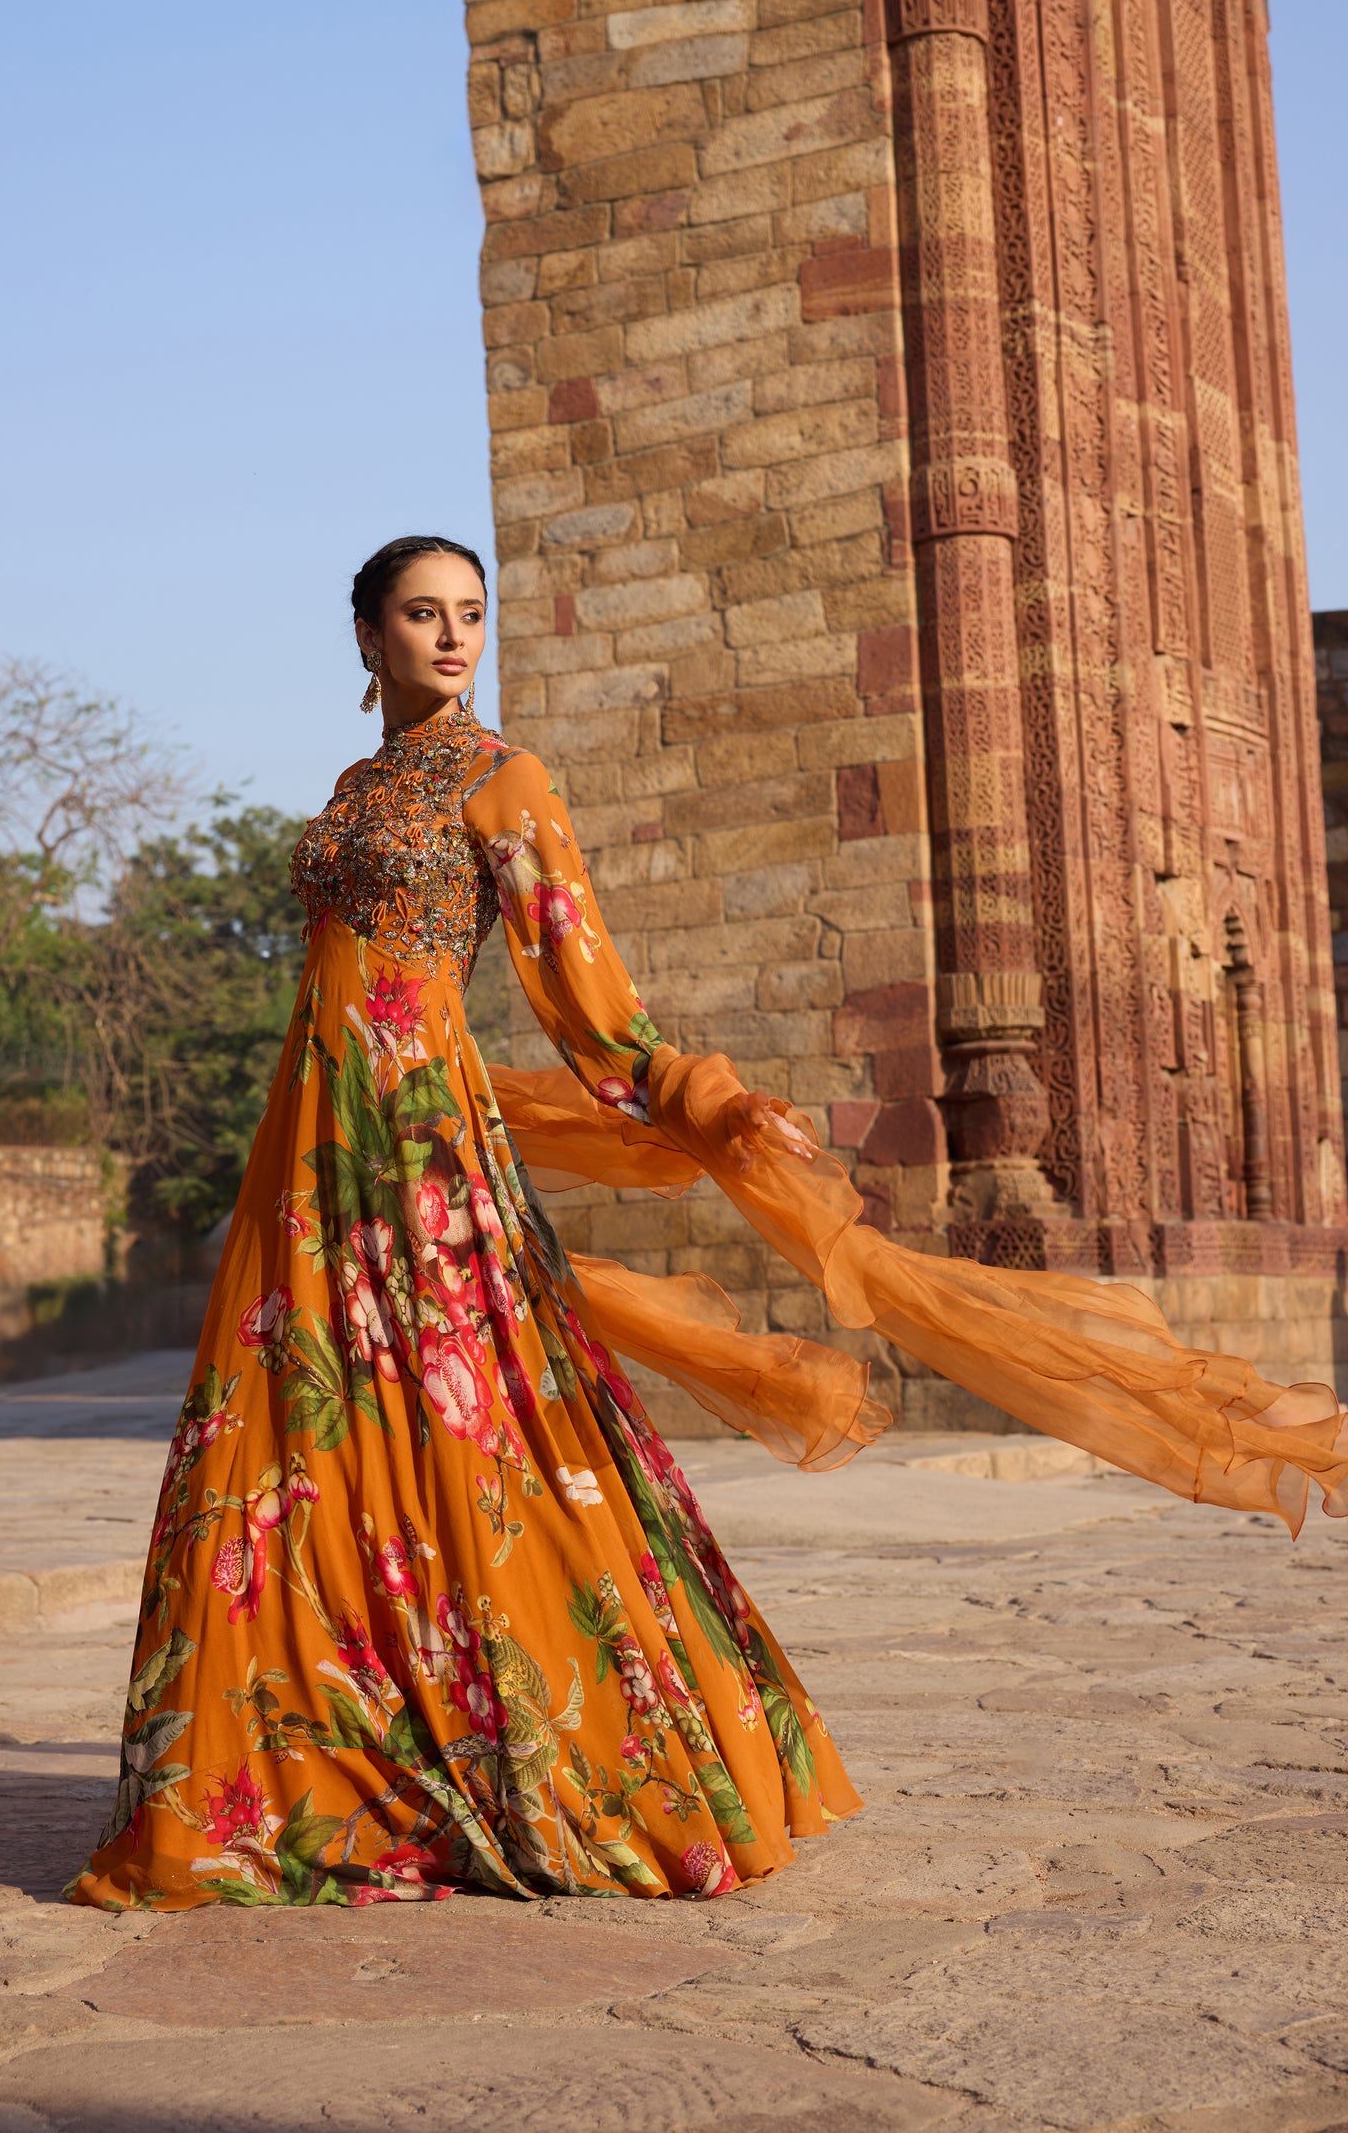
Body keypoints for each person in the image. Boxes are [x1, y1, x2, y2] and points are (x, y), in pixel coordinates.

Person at [71, 537, 1348, 1913]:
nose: (455, 638)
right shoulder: (354, 788)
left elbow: (587, 994)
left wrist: (702, 1100)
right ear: (367, 637)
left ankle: (562, 1750)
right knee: (290, 1451)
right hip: (311, 1156)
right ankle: (299, 1764)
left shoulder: (505, 781)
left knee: (477, 1446)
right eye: (424, 616)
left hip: (428, 1156)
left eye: (472, 616)